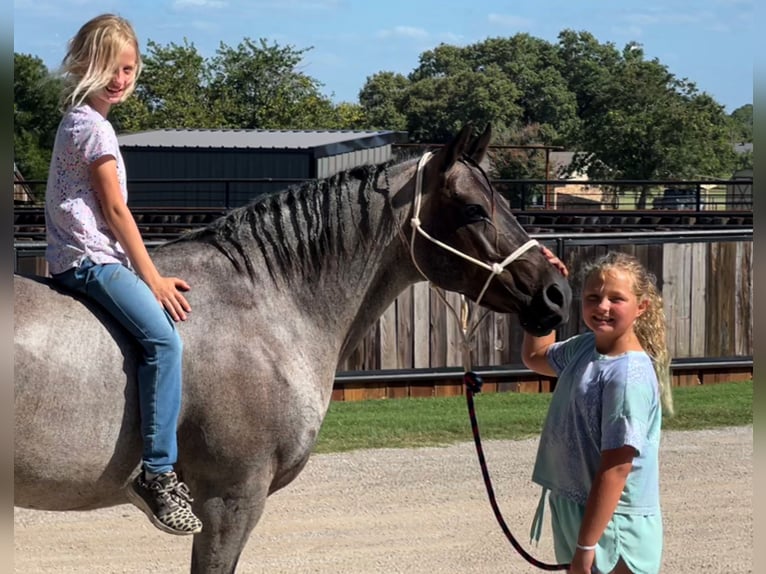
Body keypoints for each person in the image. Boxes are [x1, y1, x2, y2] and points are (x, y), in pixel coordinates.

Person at [44, 13, 202, 536]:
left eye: (129, 69)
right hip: (91, 260)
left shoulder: (76, 120)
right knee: (164, 343)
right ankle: (157, 474)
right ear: (87, 65)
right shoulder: (94, 128)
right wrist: (152, 277)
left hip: (77, 256)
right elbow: (115, 211)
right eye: (112, 67)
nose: (121, 79)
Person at [523, 248, 673, 574]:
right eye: (593, 297)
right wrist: (545, 288)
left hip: (615, 524)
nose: (602, 306)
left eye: (616, 299)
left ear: (641, 308)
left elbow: (617, 469)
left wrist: (586, 545)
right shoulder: (584, 348)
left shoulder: (628, 375)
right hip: (579, 509)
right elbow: (537, 355)